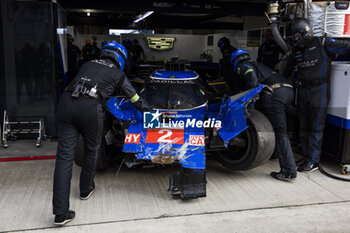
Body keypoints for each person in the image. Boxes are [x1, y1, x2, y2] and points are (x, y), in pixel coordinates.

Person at [53, 41, 152, 226]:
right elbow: (135, 98)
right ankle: (85, 189)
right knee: (92, 149)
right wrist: (151, 112)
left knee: (64, 157)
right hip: (90, 107)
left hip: (66, 102)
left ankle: (60, 212)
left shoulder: (87, 64)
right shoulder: (118, 74)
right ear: (121, 58)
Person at [282, 18, 350, 172]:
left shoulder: (323, 43)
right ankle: (305, 157)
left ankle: (312, 161)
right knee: (304, 127)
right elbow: (287, 70)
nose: (295, 41)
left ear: (305, 33)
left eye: (296, 37)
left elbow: (347, 46)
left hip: (319, 90)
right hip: (303, 90)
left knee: (315, 128)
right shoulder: (297, 51)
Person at [231, 49, 296, 181]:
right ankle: (275, 154)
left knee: (280, 132)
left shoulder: (243, 66)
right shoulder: (258, 65)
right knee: (273, 125)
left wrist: (249, 106)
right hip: (288, 91)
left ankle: (289, 170)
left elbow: (252, 79)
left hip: (274, 93)